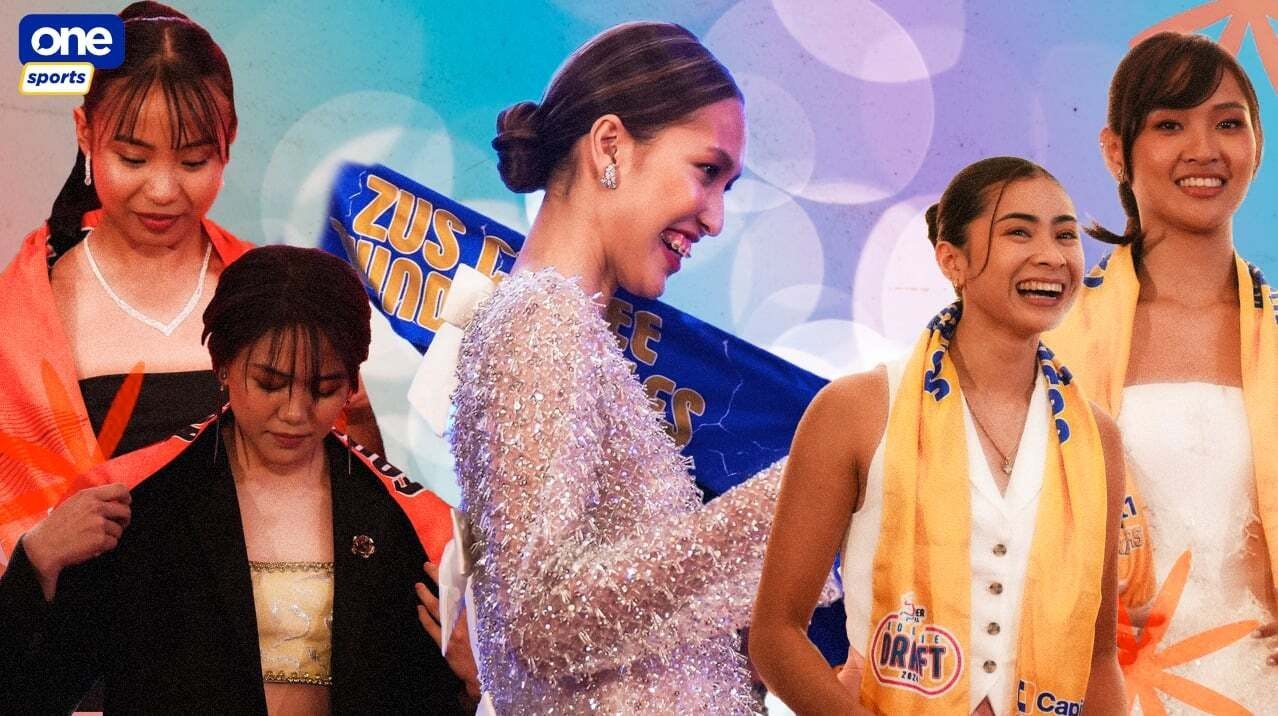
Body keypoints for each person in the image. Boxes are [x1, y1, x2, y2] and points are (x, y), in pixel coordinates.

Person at [446, 21, 826, 714]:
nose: (715, 219)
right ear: (610, 146)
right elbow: (539, 621)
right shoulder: (542, 319)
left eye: (727, 187)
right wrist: (808, 488)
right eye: (706, 172)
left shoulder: (556, 322)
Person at [0, 245, 468, 713]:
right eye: (269, 383)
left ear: (352, 382)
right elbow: (30, 693)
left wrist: (476, 685)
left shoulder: (405, 521)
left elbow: (429, 698)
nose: (295, 413)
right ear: (222, 364)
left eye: (324, 389)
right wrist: (35, 561)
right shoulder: (140, 503)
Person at [0, 1, 381, 567]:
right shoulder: (21, 315)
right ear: (85, 132)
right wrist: (39, 556)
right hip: (82, 622)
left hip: (268, 616)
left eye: (194, 162)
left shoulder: (275, 293)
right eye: (133, 159)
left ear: (229, 140)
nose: (162, 190)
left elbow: (361, 502)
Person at [750, 157, 1126, 714]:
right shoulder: (856, 411)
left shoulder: (1097, 439)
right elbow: (776, 635)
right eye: (1019, 232)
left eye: (1065, 235)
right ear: (952, 260)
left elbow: (1098, 658)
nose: (1051, 255)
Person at [1049, 31, 1278, 711]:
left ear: (1257, 145)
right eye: (1170, 125)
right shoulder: (1051, 341)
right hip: (1098, 690)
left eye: (1228, 124)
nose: (1204, 150)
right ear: (1115, 150)